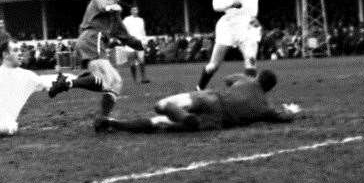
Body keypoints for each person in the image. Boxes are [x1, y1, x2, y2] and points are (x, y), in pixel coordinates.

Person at [47, 0, 144, 129]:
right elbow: (101, 2)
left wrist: (137, 44)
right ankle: (68, 82)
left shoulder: (115, 8)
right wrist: (109, 7)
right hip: (93, 38)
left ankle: (102, 119)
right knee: (108, 79)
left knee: (115, 82)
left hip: (92, 41)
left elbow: (121, 32)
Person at [197, 0, 297, 90]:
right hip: (229, 24)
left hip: (249, 24)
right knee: (213, 65)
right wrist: (231, 3)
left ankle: (249, 96)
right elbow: (216, 5)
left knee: (251, 62)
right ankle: (198, 89)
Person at [96, 69, 301, 133]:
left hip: (210, 99)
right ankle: (113, 124)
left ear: (257, 78)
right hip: (218, 121)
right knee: (160, 124)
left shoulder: (245, 80)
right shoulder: (265, 107)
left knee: (160, 107)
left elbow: (228, 79)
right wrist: (291, 110)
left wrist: (248, 77)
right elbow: (282, 117)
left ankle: (112, 121)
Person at [122, 6, 150, 84]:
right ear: (131, 11)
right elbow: (123, 30)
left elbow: (143, 32)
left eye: (136, 9)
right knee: (132, 62)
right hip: (130, 43)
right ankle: (135, 80)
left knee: (142, 60)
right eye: (134, 9)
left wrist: (145, 42)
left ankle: (144, 78)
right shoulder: (126, 20)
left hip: (140, 42)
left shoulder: (141, 20)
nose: (135, 11)